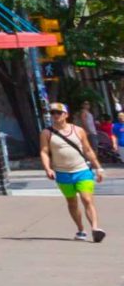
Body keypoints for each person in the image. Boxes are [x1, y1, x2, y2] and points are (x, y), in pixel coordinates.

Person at [44, 103, 105, 242]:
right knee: (72, 202)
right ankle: (80, 230)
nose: (55, 115)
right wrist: (48, 168)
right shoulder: (47, 133)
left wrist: (98, 167)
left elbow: (88, 150)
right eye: (53, 113)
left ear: (66, 114)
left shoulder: (78, 130)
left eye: (58, 112)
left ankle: (95, 229)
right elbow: (44, 152)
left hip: (82, 170)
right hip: (62, 173)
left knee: (87, 199)